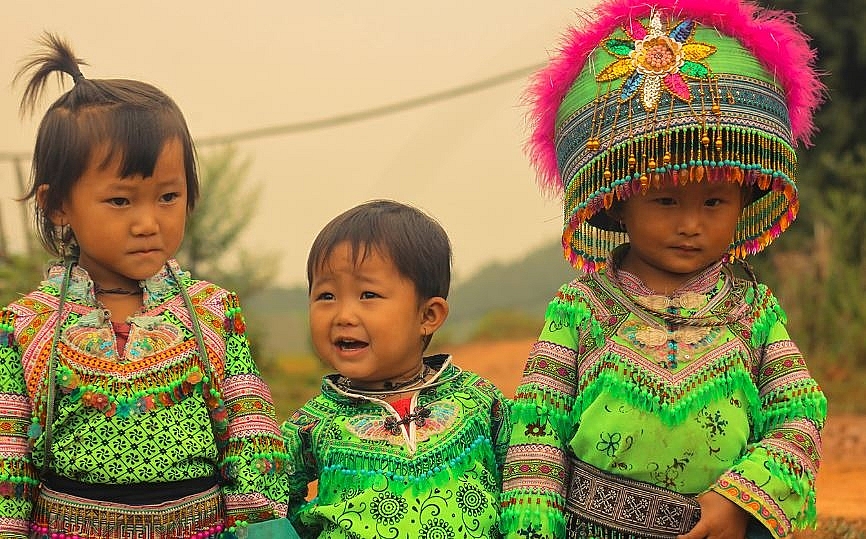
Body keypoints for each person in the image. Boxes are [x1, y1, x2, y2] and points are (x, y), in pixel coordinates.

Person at [500, 0, 827, 538]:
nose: (691, 225)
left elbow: (800, 413)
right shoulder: (580, 310)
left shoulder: (754, 313)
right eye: (666, 202)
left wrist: (739, 500)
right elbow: (536, 430)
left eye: (714, 203)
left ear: (745, 200)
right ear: (619, 201)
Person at [0, 34, 292, 539]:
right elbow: (9, 453)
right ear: (57, 205)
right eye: (120, 201)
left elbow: (250, 426)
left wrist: (257, 522)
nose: (147, 222)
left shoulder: (212, 312)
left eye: (167, 196)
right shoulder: (23, 324)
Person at [281, 200, 511, 539]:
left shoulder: (479, 400)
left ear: (427, 315)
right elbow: (261, 499)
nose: (343, 315)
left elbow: (527, 483)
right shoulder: (310, 424)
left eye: (368, 294)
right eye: (326, 296)